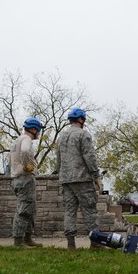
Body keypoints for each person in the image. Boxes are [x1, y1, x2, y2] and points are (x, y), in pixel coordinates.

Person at [56, 107, 101, 250]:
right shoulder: (83, 134)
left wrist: (61, 175)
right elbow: (89, 157)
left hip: (66, 180)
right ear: (81, 120)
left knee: (69, 211)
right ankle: (95, 244)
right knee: (90, 211)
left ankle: (71, 244)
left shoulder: (61, 137)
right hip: (82, 179)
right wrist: (95, 176)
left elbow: (58, 160)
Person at [10, 117, 45, 247]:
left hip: (18, 179)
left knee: (30, 209)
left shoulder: (16, 140)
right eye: (39, 130)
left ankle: (27, 238)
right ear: (34, 129)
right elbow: (25, 151)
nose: (39, 133)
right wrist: (26, 165)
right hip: (25, 178)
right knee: (24, 210)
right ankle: (18, 242)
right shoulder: (26, 139)